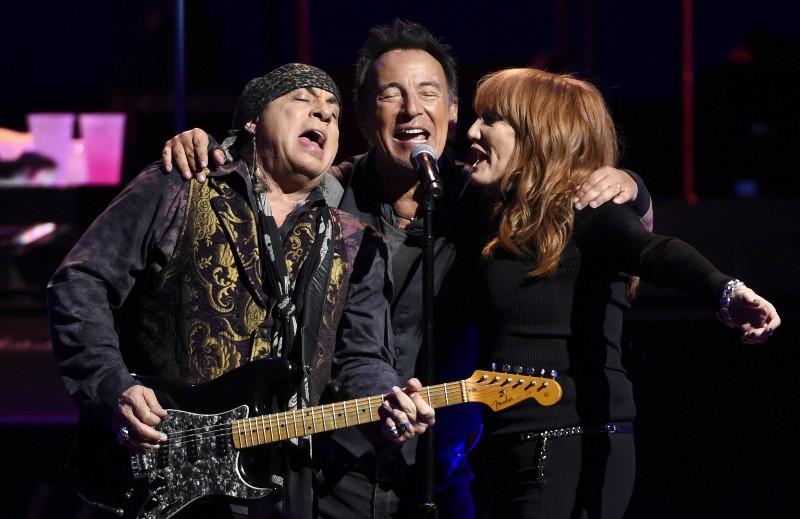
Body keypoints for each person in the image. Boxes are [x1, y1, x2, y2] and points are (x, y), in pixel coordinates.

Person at [161, 19, 654, 519]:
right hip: (327, 480)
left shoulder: (488, 203)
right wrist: (212, 146)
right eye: (391, 94)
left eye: (428, 93)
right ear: (359, 114)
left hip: (443, 479)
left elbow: (598, 221)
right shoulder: (322, 199)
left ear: (454, 112)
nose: (412, 109)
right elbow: (250, 181)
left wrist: (632, 186)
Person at [47, 63, 434, 519]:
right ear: (251, 120)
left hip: (278, 485)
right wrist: (113, 386)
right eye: (303, 99)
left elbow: (360, 358)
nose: (324, 115)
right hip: (156, 467)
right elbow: (81, 281)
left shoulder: (354, 242)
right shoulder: (179, 186)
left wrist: (388, 396)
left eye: (333, 112)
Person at [462, 67, 780, 519]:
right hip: (510, 445)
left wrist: (727, 293)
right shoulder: (497, 217)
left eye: (491, 118)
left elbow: (656, 251)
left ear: (540, 132)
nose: (472, 130)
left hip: (570, 442)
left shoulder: (584, 209)